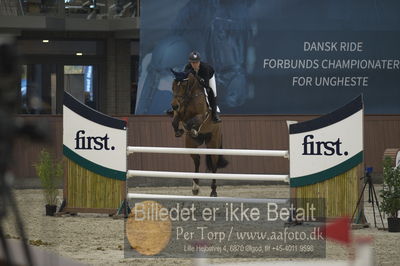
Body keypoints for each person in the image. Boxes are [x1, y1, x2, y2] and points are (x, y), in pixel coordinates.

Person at [167, 51, 222, 123]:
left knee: (211, 92)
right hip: (196, 82)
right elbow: (185, 80)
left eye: (196, 62)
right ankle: (177, 110)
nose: (195, 64)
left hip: (209, 78)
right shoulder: (188, 67)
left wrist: (195, 76)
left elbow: (205, 85)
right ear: (190, 62)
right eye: (193, 62)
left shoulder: (205, 68)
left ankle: (214, 115)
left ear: (199, 61)